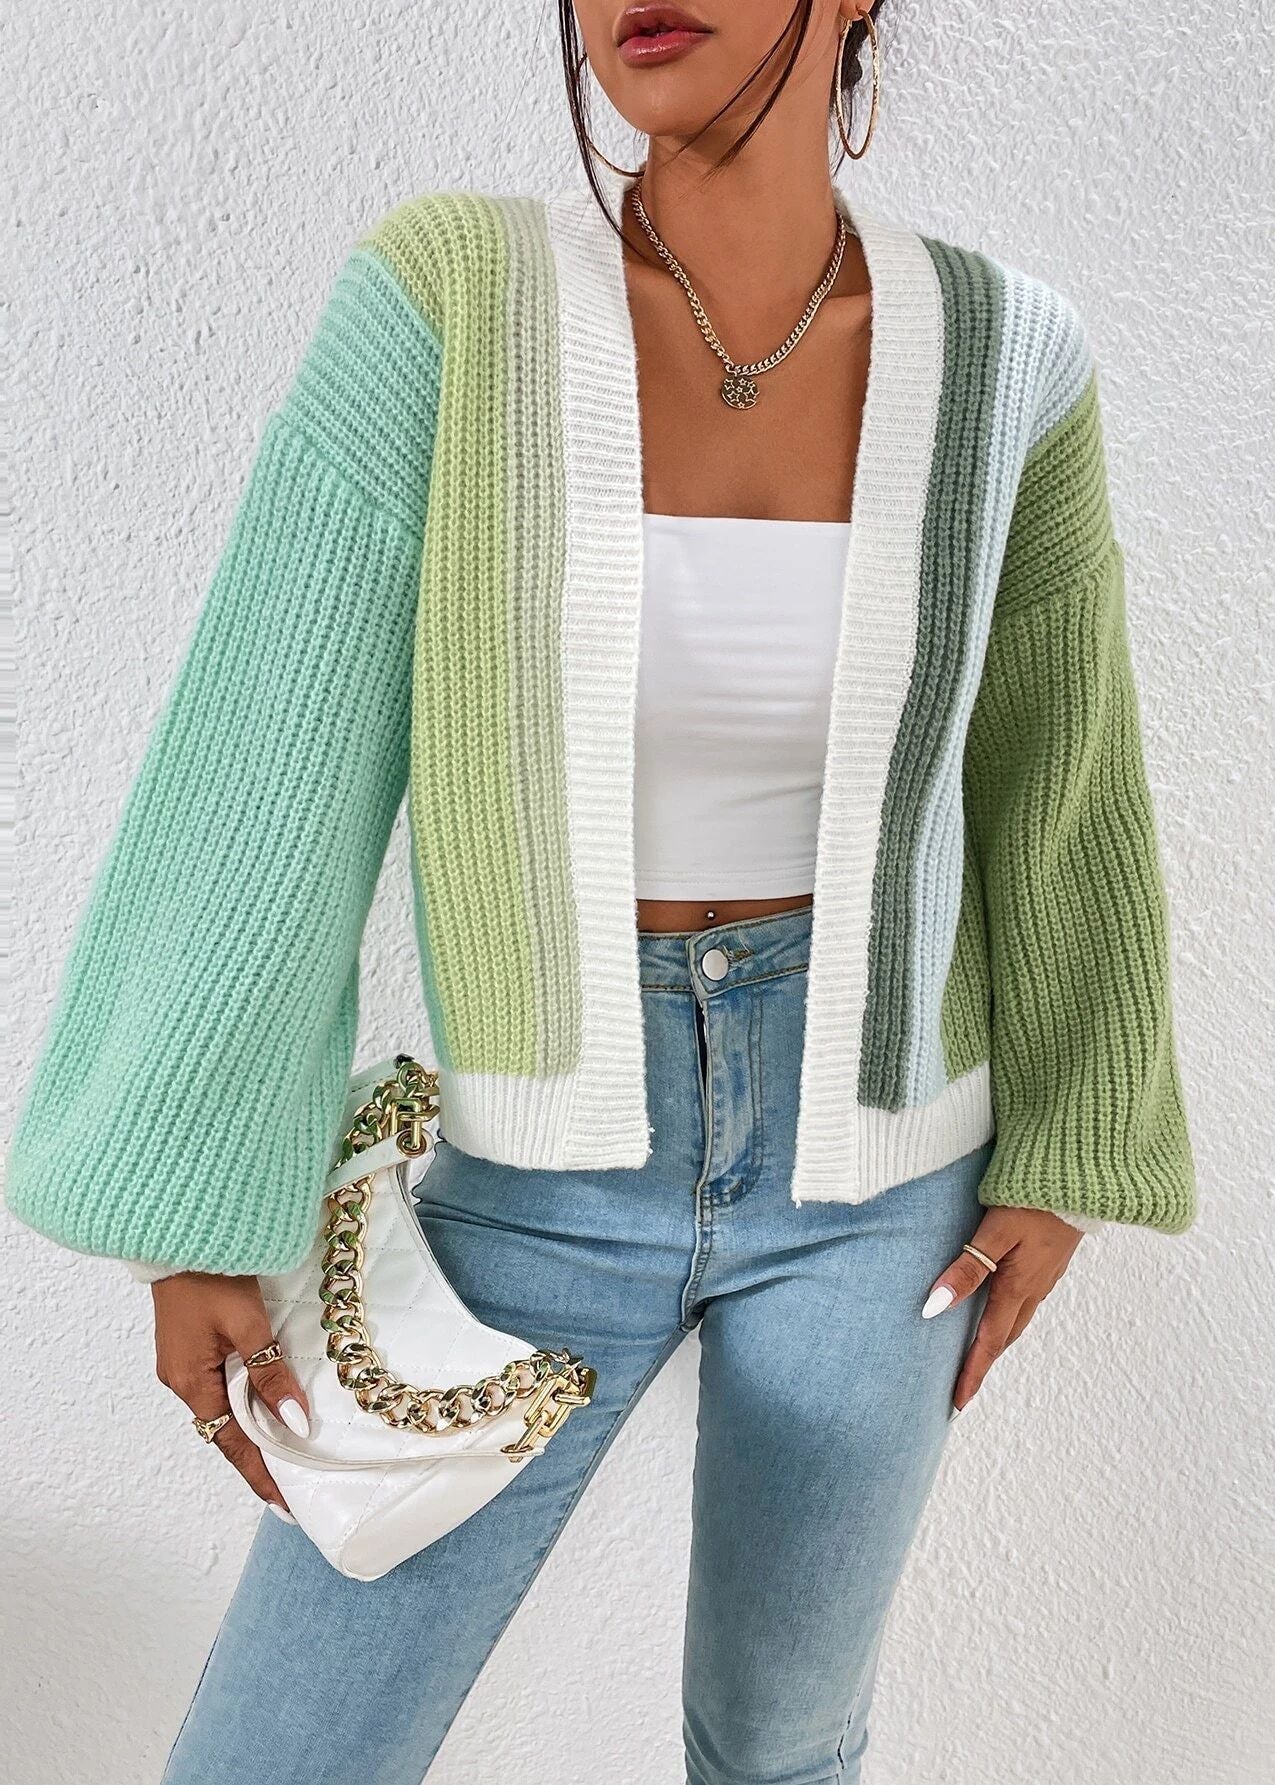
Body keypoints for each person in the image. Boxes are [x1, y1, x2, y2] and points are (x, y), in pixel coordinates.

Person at [6, 2, 1197, 1780]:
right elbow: (272, 745)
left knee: (781, 1747)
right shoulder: (449, 299)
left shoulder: (1010, 351)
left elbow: (1060, 768)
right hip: (532, 1180)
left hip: (882, 1190)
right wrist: (195, 1203)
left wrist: (1077, 1144)